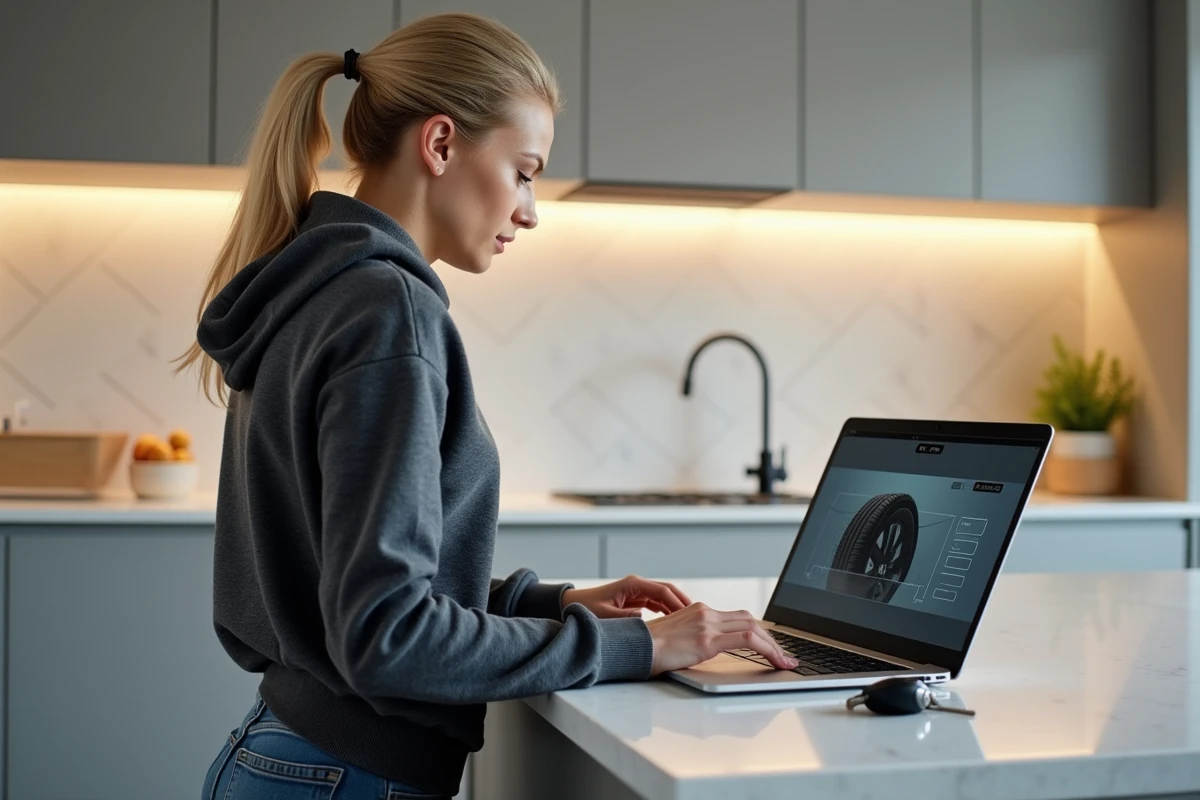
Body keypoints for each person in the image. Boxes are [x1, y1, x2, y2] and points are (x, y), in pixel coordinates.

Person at [182, 13, 797, 800]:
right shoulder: (388, 311)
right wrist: (640, 649)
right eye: (525, 170)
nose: (532, 209)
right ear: (440, 145)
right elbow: (387, 637)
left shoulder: (319, 287)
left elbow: (358, 593)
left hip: (294, 761)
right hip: (345, 778)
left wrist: (553, 602)